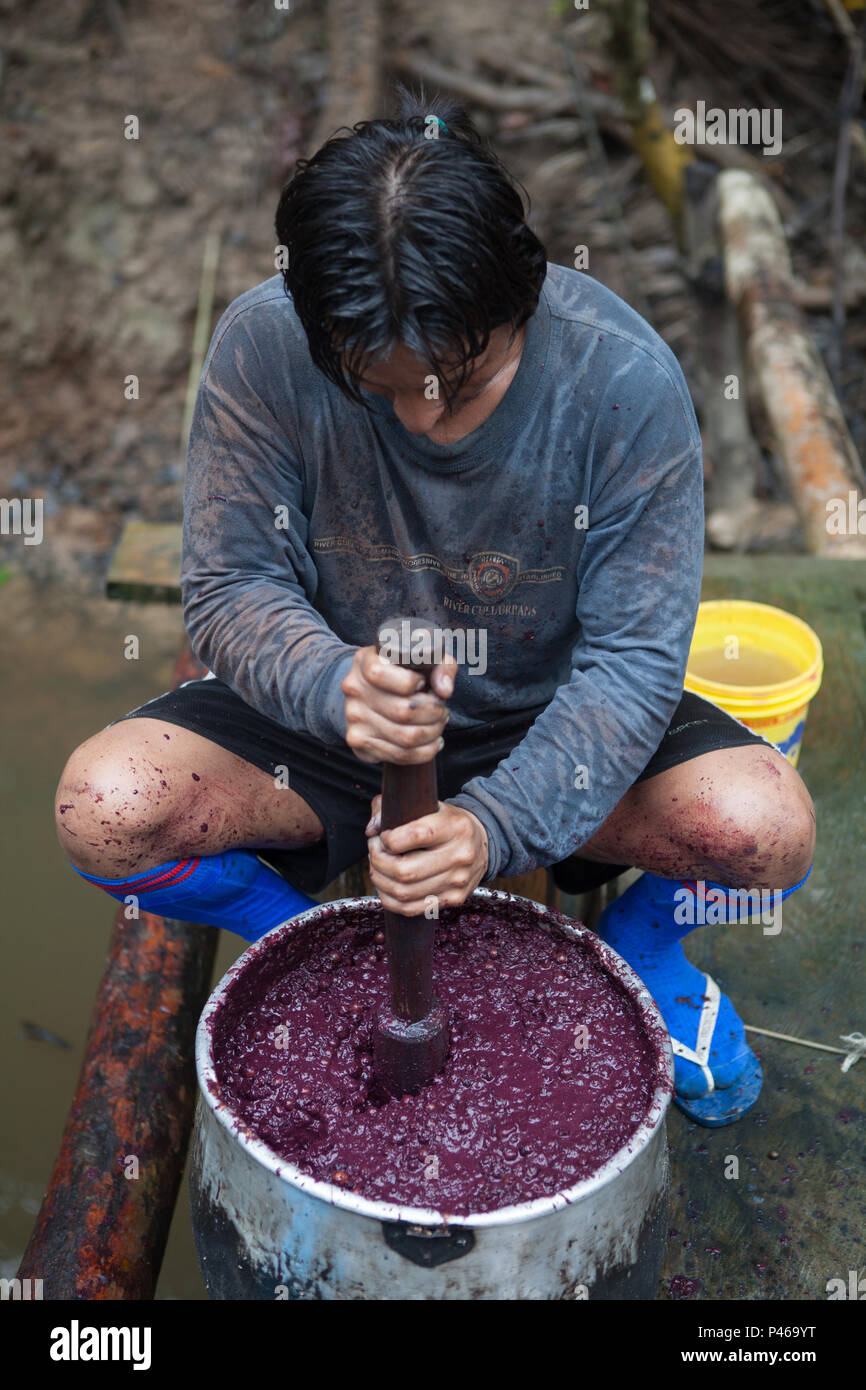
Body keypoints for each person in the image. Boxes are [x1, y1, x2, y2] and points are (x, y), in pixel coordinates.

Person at [55, 87, 815, 1127]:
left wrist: (493, 824)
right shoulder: (263, 348)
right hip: (327, 726)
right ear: (325, 336)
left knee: (763, 831)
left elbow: (632, 661)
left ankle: (643, 945)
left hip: (546, 720)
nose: (421, 413)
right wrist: (331, 683)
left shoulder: (622, 380)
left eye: (458, 381)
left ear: (525, 295)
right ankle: (292, 940)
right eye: (383, 385)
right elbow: (231, 588)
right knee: (103, 807)